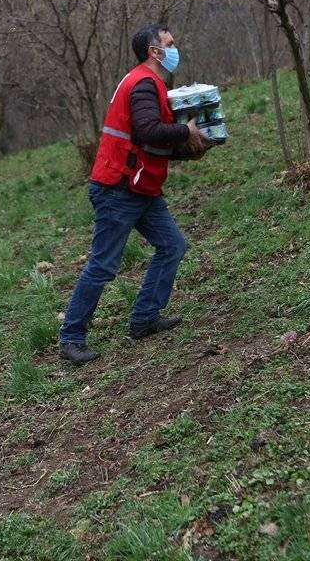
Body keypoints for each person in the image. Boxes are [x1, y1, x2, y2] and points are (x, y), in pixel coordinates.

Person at [59, 23, 205, 364]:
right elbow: (149, 130)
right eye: (169, 43)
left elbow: (149, 142)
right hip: (119, 189)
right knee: (103, 265)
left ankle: (144, 319)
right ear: (154, 52)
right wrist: (186, 131)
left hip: (140, 187)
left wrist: (190, 149)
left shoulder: (149, 83)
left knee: (172, 246)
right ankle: (71, 338)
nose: (174, 48)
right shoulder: (143, 84)